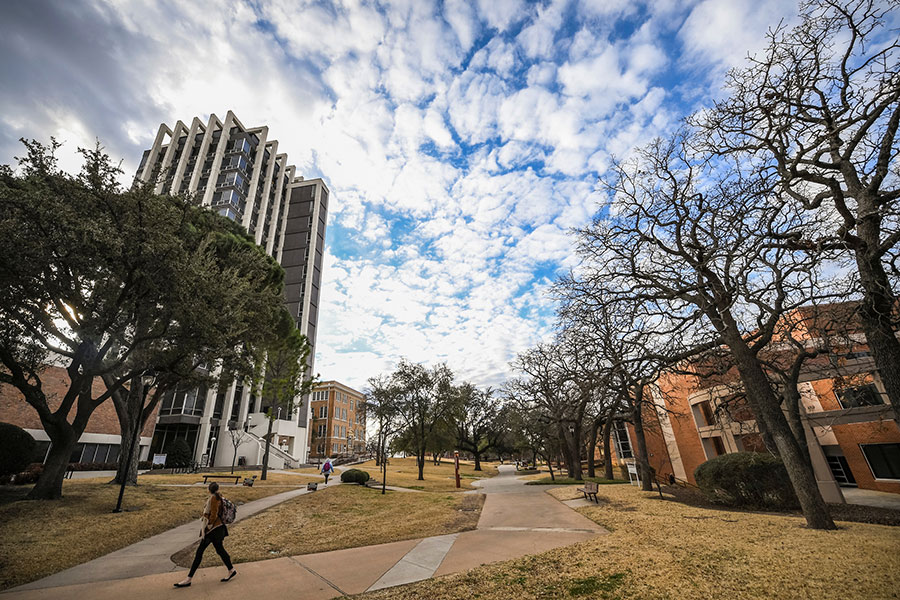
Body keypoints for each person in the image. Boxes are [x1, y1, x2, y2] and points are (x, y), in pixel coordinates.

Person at [174, 482, 237, 588]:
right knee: (220, 550)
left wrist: (209, 525)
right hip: (219, 528)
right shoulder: (219, 496)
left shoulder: (213, 498)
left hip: (213, 529)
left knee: (200, 552)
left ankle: (189, 579)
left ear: (209, 489)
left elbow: (214, 513)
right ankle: (231, 569)